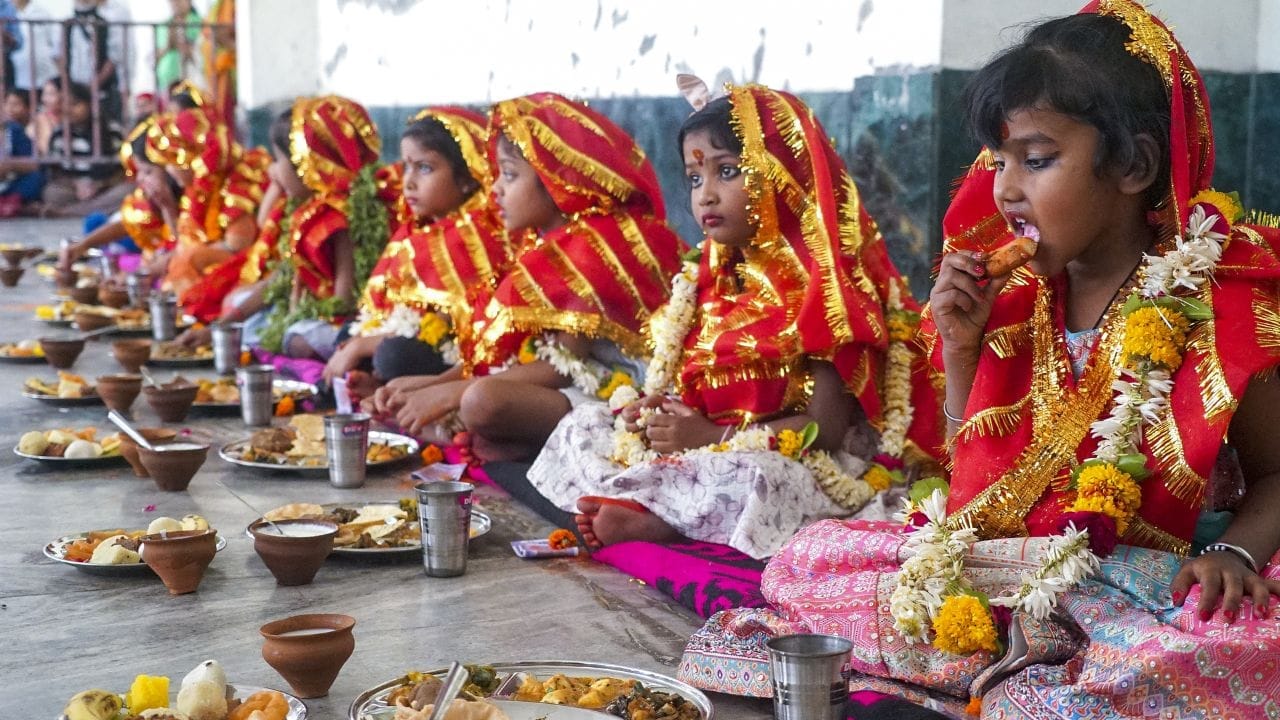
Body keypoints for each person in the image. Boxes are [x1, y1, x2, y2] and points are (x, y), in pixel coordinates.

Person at [678, 2, 1280, 717]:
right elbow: (971, 478)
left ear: (1134, 165)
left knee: (1221, 643)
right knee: (807, 559)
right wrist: (962, 351)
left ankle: (1032, 668)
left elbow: (1277, 472)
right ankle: (1025, 664)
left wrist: (1235, 557)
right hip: (1001, 565)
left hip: (1144, 579)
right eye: (998, 161)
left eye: (1037, 159)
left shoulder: (1217, 297)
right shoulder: (1015, 296)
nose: (1005, 189)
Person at [526, 83, 941, 559]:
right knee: (585, 424)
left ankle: (662, 519)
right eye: (694, 178)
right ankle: (659, 500)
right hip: (701, 445)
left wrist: (711, 438)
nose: (705, 195)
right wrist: (657, 411)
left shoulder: (826, 289)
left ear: (780, 174)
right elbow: (690, 387)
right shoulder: (708, 275)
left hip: (794, 458)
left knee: (756, 478)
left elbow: (825, 431)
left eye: (726, 172)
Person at [364, 92, 683, 462]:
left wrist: (451, 393)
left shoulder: (587, 249)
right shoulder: (541, 243)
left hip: (612, 394)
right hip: (565, 388)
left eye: (510, 175)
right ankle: (497, 444)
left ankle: (496, 442)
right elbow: (518, 353)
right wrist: (434, 385)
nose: (495, 189)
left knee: (480, 401)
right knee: (449, 393)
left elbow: (561, 367)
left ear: (556, 181)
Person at [323, 107, 510, 396]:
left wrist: (364, 346)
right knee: (348, 333)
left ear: (467, 178)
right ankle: (377, 385)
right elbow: (385, 310)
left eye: (424, 168)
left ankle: (388, 385)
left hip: (454, 350)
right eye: (406, 167)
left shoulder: (476, 235)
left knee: (393, 355)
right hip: (407, 334)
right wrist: (360, 341)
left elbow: (453, 325)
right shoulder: (415, 230)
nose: (408, 182)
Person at [254, 95, 401, 360]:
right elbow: (280, 276)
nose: (273, 170)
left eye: (279, 160)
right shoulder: (305, 210)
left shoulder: (338, 218)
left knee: (295, 338)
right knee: (252, 320)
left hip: (346, 322)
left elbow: (343, 302)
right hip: (313, 315)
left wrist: (297, 312)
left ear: (308, 165)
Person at [141, 105, 270, 320]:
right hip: (216, 265)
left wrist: (189, 256)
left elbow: (237, 246)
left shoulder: (237, 184)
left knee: (188, 260)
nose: (170, 171)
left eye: (173, 163)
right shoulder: (195, 191)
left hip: (245, 267)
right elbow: (185, 241)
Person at [41, 80, 126, 215]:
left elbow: (122, 169)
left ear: (90, 105)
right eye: (65, 105)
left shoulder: (112, 131)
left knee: (126, 191)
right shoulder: (59, 134)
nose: (68, 110)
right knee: (52, 193)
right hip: (74, 190)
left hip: (106, 188)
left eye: (74, 104)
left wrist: (99, 185)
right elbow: (56, 172)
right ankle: (89, 209)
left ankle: (66, 212)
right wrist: (76, 184)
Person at [0, 87, 43, 214]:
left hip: (9, 183)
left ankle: (12, 203)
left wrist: (11, 165)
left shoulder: (14, 130)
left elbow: (33, 164)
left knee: (35, 178)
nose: (9, 108)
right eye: (8, 104)